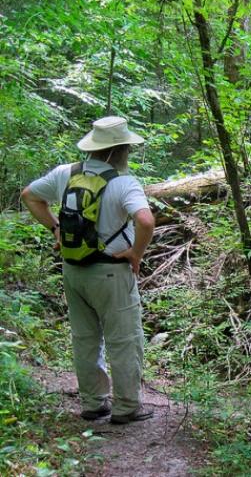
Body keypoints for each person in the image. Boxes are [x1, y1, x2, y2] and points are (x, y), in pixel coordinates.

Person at [21, 116, 155, 424]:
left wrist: (55, 228)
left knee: (85, 337)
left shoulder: (64, 174)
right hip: (111, 273)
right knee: (123, 339)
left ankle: (93, 403)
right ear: (120, 150)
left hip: (73, 270)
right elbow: (146, 221)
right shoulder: (125, 183)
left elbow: (29, 195)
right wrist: (136, 253)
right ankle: (126, 407)